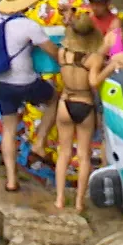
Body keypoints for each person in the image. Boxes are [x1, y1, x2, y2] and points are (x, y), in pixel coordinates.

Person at [0, 0, 59, 191]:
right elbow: (52, 50)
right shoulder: (27, 24)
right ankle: (40, 142)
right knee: (54, 99)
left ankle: (11, 180)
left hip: (1, 82)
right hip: (25, 81)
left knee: (9, 129)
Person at [51, 16, 105, 212]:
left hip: (65, 102)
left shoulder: (62, 53)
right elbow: (93, 83)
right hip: (84, 103)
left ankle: (59, 199)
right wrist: (110, 68)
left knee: (63, 152)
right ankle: (79, 202)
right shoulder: (93, 59)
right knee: (84, 155)